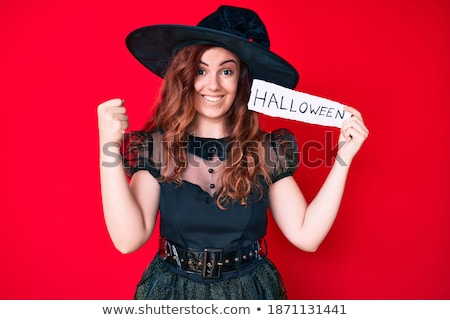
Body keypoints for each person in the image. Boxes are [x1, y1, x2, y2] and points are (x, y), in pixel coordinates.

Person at [97, 5, 368, 299]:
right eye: (201, 70)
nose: (213, 85)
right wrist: (107, 145)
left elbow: (307, 235)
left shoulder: (266, 151)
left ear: (242, 82)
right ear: (185, 77)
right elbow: (128, 240)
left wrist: (343, 157)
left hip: (249, 293)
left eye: (226, 71)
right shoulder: (157, 148)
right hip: (173, 294)